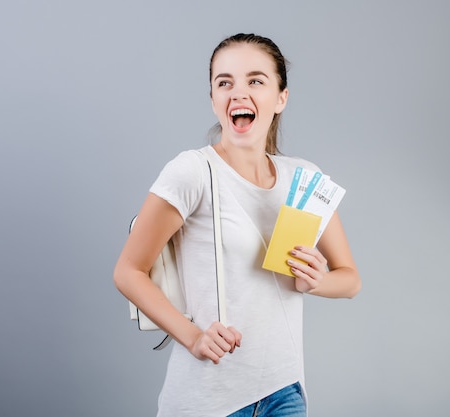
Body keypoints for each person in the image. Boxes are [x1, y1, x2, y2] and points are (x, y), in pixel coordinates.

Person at [113, 33, 361, 417]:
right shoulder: (193, 171)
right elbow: (128, 271)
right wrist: (193, 337)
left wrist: (316, 281)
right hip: (208, 398)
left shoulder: (305, 180)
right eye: (224, 82)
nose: (238, 93)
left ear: (281, 98)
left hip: (285, 391)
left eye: (256, 80)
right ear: (213, 98)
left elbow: (350, 280)